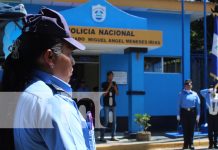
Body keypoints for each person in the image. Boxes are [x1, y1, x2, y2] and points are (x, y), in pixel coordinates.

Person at [1, 7, 96, 149]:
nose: (73, 62)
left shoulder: (25, 91)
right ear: (50, 57)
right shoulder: (54, 103)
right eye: (69, 54)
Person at [177, 79, 201, 150]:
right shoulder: (181, 94)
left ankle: (191, 143)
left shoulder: (195, 94)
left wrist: (198, 115)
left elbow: (198, 105)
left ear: (191, 85)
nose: (188, 86)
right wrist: (178, 114)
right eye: (187, 84)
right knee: (185, 129)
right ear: (184, 85)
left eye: (189, 84)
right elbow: (178, 104)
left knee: (191, 129)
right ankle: (185, 144)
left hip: (192, 113)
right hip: (184, 112)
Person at [100, 71, 118, 142]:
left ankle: (113, 136)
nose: (111, 77)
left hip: (113, 104)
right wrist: (109, 86)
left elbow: (117, 94)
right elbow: (104, 95)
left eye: (112, 76)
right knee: (106, 121)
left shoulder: (115, 84)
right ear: (107, 76)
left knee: (114, 121)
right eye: (110, 76)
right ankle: (102, 137)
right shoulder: (104, 84)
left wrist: (114, 87)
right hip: (106, 104)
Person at [200, 84, 218, 149]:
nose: (213, 89)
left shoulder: (217, 95)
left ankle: (216, 143)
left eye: (214, 88)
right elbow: (201, 92)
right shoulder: (207, 95)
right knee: (210, 130)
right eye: (211, 88)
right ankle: (211, 144)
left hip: (216, 113)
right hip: (209, 113)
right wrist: (208, 90)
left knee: (216, 129)